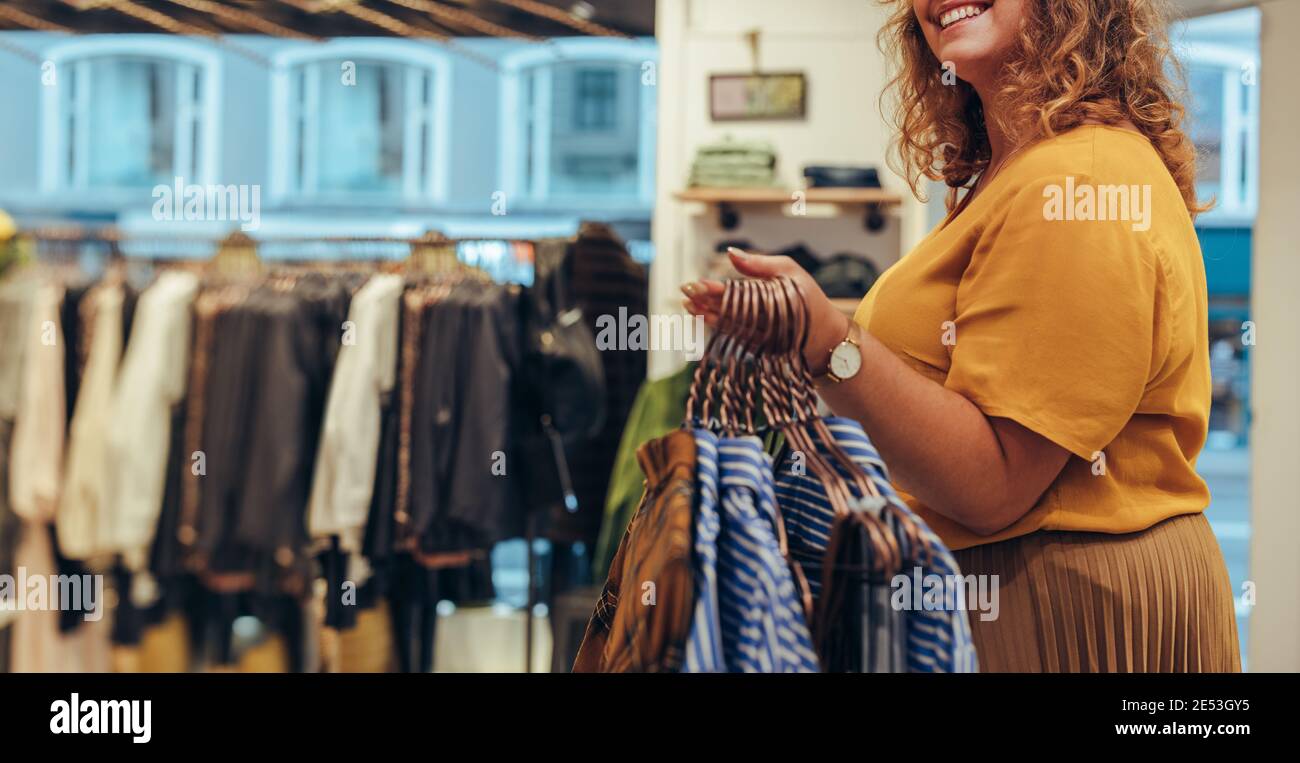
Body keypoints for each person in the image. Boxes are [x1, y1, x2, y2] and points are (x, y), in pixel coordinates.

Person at [682, 0, 1239, 672]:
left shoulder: (1076, 182)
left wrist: (830, 343)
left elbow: (994, 484)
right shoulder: (1022, 170)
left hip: (1060, 602)